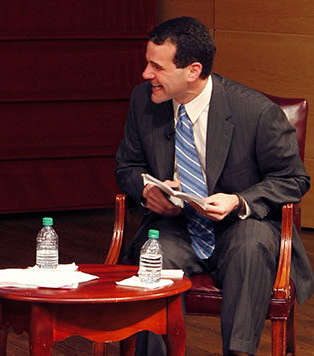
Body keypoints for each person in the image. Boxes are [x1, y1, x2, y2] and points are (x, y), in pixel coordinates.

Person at [115, 17, 313, 356]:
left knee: (251, 245)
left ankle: (238, 353)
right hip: (178, 227)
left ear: (192, 70)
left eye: (156, 67)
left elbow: (294, 179)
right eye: (147, 63)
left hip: (242, 225)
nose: (146, 74)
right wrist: (147, 192)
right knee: (154, 254)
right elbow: (127, 167)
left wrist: (239, 200)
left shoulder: (255, 112)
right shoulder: (143, 101)